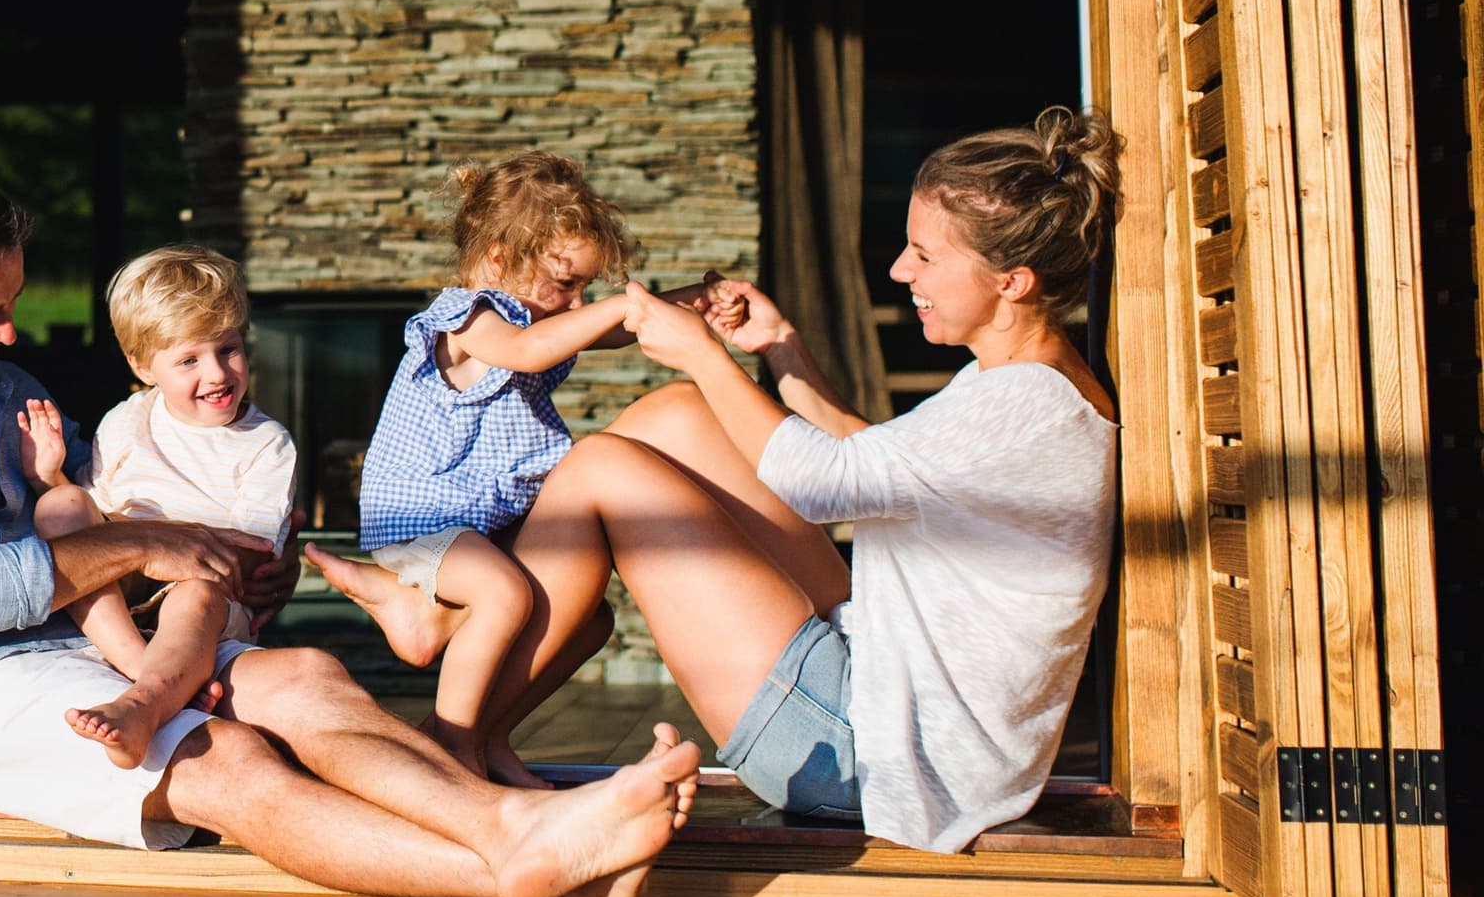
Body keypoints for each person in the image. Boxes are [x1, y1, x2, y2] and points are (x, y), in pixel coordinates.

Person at [0, 160, 699, 897]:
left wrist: (234, 569)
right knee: (225, 758)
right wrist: (156, 543)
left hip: (87, 643)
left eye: (13, 304)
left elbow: (109, 492)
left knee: (308, 677)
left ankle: (537, 836)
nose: (11, 332)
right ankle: (527, 863)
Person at [467, 107, 1123, 852]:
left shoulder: (1020, 406)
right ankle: (484, 671)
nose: (900, 271)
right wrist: (777, 348)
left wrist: (705, 355)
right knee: (675, 417)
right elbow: (872, 465)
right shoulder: (1023, 382)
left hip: (870, 755)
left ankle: (462, 701)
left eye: (924, 255)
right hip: (877, 681)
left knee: (601, 468)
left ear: (1013, 281)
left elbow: (826, 483)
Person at [305, 152, 707, 785]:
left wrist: (695, 302)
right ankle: (455, 748)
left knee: (588, 618)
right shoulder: (466, 318)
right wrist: (619, 306)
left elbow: (614, 332)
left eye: (586, 288)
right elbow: (525, 351)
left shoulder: (539, 316)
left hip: (480, 522)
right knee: (505, 594)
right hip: (424, 517)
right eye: (567, 282)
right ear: (499, 259)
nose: (577, 301)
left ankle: (490, 738)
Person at [17, 245, 298, 771]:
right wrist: (48, 474)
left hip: (204, 594)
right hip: (123, 586)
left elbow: (246, 555)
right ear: (143, 366)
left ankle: (142, 706)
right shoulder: (126, 421)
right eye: (189, 359)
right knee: (60, 505)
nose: (217, 373)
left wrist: (149, 542)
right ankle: (140, 665)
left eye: (228, 349)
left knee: (195, 593)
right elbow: (93, 517)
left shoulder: (267, 443)